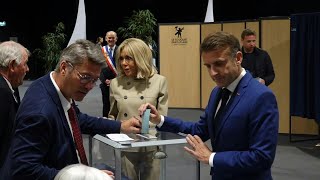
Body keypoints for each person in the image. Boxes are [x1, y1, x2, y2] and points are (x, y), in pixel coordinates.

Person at [139, 32, 279, 180]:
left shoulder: (261, 97)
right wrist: (159, 119)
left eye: (219, 64)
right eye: (208, 66)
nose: (212, 73)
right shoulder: (217, 91)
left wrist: (212, 158)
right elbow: (199, 130)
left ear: (238, 58)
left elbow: (262, 157)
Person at [3, 39, 141, 180]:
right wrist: (85, 177)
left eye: (94, 80)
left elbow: (77, 118)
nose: (89, 86)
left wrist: (121, 126)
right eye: (85, 77)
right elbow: (23, 170)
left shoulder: (51, 85)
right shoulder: (40, 113)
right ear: (64, 68)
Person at [109, 38, 168, 180]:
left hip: (151, 145)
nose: (123, 63)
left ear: (140, 57)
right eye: (121, 58)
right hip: (125, 145)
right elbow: (112, 115)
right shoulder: (115, 83)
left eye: (129, 58)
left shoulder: (159, 81)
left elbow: (163, 119)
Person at [0, 41, 30, 172]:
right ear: (12, 65)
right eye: (25, 64)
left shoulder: (11, 86)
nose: (27, 69)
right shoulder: (2, 92)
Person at [100, 31, 118, 117]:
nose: (111, 39)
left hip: (118, 81)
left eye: (113, 38)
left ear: (116, 39)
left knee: (117, 102)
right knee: (106, 102)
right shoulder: (102, 51)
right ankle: (105, 120)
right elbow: (99, 68)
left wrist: (114, 80)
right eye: (109, 38)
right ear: (106, 39)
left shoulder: (120, 50)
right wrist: (104, 80)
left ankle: (117, 120)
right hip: (105, 82)